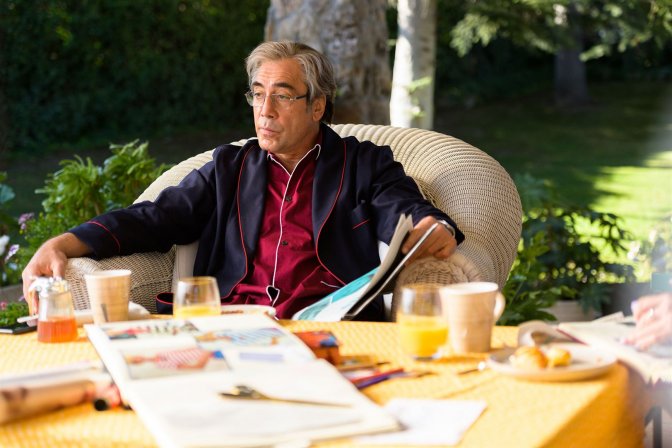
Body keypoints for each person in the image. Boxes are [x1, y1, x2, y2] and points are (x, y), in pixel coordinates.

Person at [22, 41, 464, 321]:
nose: (265, 110)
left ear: (317, 106)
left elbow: (404, 209)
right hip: (232, 323)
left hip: (329, 326)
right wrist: (64, 243)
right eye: (257, 94)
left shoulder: (364, 163)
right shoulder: (229, 168)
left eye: (282, 96)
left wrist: (432, 226)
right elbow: (154, 217)